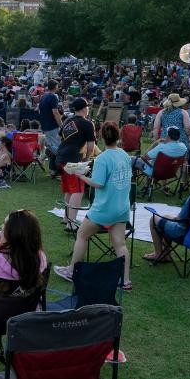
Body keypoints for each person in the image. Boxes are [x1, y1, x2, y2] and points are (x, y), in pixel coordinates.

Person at [56, 122, 133, 290]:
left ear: (101, 137)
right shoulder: (125, 156)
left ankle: (71, 271)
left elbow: (97, 184)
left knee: (82, 235)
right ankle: (125, 281)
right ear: (118, 136)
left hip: (104, 208)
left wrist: (78, 174)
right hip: (122, 208)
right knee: (120, 244)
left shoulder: (103, 158)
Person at [56, 98, 96, 228]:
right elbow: (91, 146)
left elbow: (59, 136)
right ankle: (71, 223)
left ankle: (66, 218)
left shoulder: (67, 120)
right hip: (73, 158)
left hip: (61, 156)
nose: (88, 109)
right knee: (78, 190)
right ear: (84, 108)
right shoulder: (88, 123)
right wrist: (87, 158)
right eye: (87, 107)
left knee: (69, 190)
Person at [38, 80, 63, 154]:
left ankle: (44, 158)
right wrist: (61, 125)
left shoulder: (43, 96)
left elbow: (40, 110)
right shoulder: (53, 97)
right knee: (57, 146)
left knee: (50, 145)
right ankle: (59, 161)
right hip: (52, 125)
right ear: (55, 87)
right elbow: (55, 112)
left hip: (44, 124)